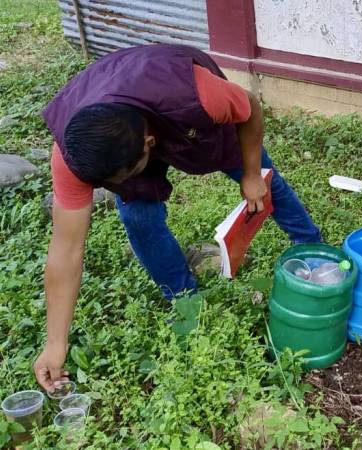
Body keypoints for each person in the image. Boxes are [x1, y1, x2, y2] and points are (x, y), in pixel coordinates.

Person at [33, 44, 322, 390]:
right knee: (138, 215)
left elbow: (251, 110)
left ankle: (311, 245)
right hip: (116, 109)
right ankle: (185, 301)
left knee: (263, 177)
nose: (119, 187)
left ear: (150, 144)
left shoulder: (201, 96)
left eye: (125, 177)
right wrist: (55, 344)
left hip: (176, 105)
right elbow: (65, 251)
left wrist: (249, 174)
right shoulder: (74, 155)